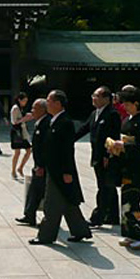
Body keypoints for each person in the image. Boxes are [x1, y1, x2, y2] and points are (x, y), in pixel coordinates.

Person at [29, 90, 91, 245]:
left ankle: (46, 236)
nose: (47, 103)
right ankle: (80, 231)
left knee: (51, 204)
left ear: (58, 103)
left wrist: (67, 172)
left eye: (49, 100)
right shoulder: (53, 121)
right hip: (53, 169)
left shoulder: (65, 122)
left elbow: (67, 150)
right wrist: (41, 165)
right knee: (68, 201)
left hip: (60, 171)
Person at [106, 86, 140, 250]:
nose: (124, 107)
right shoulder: (127, 120)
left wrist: (123, 145)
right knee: (125, 201)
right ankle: (129, 233)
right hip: (126, 165)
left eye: (127, 104)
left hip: (137, 166)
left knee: (133, 202)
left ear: (136, 104)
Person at [74, 86, 122, 227]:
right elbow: (83, 129)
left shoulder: (112, 114)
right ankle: (112, 217)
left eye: (97, 96)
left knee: (104, 188)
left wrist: (108, 155)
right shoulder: (95, 113)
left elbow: (113, 137)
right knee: (108, 187)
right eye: (93, 95)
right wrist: (68, 139)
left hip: (107, 157)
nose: (93, 98)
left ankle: (97, 217)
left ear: (106, 99)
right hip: (96, 155)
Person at [16, 98, 50, 226]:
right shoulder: (39, 122)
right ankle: (29, 215)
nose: (32, 111)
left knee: (43, 193)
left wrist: (41, 166)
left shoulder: (46, 123)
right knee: (34, 191)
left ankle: (47, 219)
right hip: (38, 164)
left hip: (43, 166)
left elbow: (45, 147)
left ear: (43, 110)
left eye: (35, 108)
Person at [10, 92, 33, 179]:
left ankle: (20, 167)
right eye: (24, 101)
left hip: (22, 130)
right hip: (17, 131)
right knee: (17, 152)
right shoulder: (15, 108)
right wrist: (25, 118)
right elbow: (15, 121)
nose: (25, 102)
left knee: (28, 150)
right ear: (19, 100)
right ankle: (13, 170)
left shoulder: (21, 108)